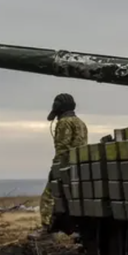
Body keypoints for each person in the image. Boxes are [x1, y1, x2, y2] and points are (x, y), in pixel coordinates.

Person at [37, 92, 88, 231]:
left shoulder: (64, 123)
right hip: (80, 166)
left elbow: (62, 149)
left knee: (48, 197)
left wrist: (55, 169)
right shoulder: (80, 123)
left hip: (65, 166)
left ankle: (46, 227)